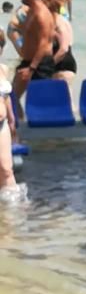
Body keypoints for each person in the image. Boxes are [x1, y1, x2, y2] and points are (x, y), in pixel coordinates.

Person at [12, 0, 56, 118]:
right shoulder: (31, 10)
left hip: (39, 64)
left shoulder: (41, 14)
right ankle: (18, 129)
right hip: (28, 61)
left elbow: (44, 43)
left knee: (42, 102)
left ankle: (46, 135)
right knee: (12, 96)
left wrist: (31, 68)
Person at [0, 68, 21, 201]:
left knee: (6, 169)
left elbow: (5, 96)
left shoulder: (2, 69)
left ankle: (12, 215)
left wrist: (12, 121)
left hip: (2, 125)